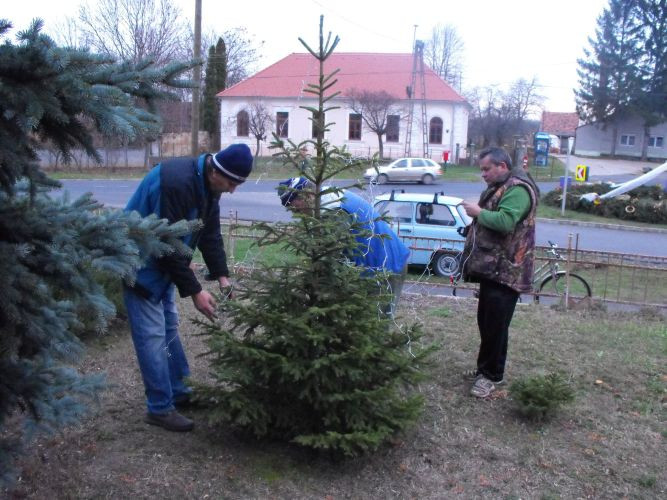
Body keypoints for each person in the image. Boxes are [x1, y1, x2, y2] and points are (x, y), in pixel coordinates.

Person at [123, 143, 253, 431]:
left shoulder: (209, 186)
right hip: (140, 263)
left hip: (165, 263)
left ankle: (180, 392)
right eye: (231, 182)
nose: (232, 190)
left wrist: (222, 277)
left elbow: (209, 233)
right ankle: (159, 408)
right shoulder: (178, 182)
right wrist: (195, 291)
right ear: (215, 170)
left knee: (168, 330)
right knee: (153, 337)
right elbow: (166, 245)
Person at [461, 147, 539, 398]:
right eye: (481, 169)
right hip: (494, 270)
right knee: (487, 322)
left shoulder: (517, 190)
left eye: (486, 169)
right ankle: (484, 369)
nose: (483, 174)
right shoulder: (502, 186)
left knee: (496, 326)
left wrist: (478, 213)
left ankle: (492, 376)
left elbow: (506, 222)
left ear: (502, 166)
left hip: (507, 272)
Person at [278, 177, 410, 317]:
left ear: (307, 195)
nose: (292, 211)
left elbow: (328, 257)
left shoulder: (333, 211)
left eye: (293, 205)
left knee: (374, 324)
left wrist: (304, 287)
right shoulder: (329, 199)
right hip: (369, 268)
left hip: (384, 268)